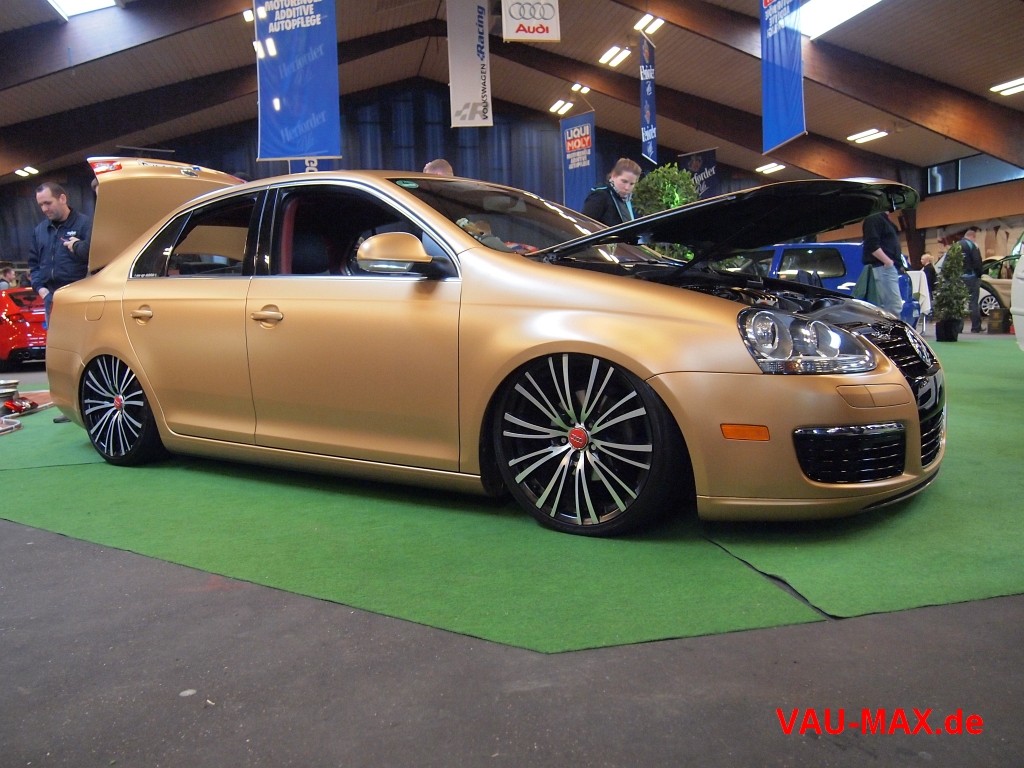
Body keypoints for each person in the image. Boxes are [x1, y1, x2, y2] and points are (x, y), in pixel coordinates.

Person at [28, 181, 92, 322]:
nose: (44, 209)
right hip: (51, 300)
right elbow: (34, 264)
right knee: (55, 337)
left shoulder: (86, 225)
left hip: (80, 299)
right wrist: (41, 289)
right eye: (41, 205)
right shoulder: (39, 231)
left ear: (62, 198)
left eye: (48, 203)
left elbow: (97, 260)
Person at [861, 210, 904, 317]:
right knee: (892, 308)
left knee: (891, 307)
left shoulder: (883, 219)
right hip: (883, 267)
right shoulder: (874, 218)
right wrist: (887, 262)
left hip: (887, 267)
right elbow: (871, 244)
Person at [582, 158, 641, 226]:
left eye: (632, 184)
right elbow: (585, 224)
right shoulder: (600, 195)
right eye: (624, 181)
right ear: (613, 176)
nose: (627, 188)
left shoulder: (630, 200)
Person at [958, 226, 984, 332]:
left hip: (959, 278)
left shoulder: (956, 245)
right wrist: (979, 274)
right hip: (971, 277)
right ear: (972, 236)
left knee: (959, 303)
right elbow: (977, 261)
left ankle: (958, 328)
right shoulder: (972, 245)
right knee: (973, 302)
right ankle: (976, 327)